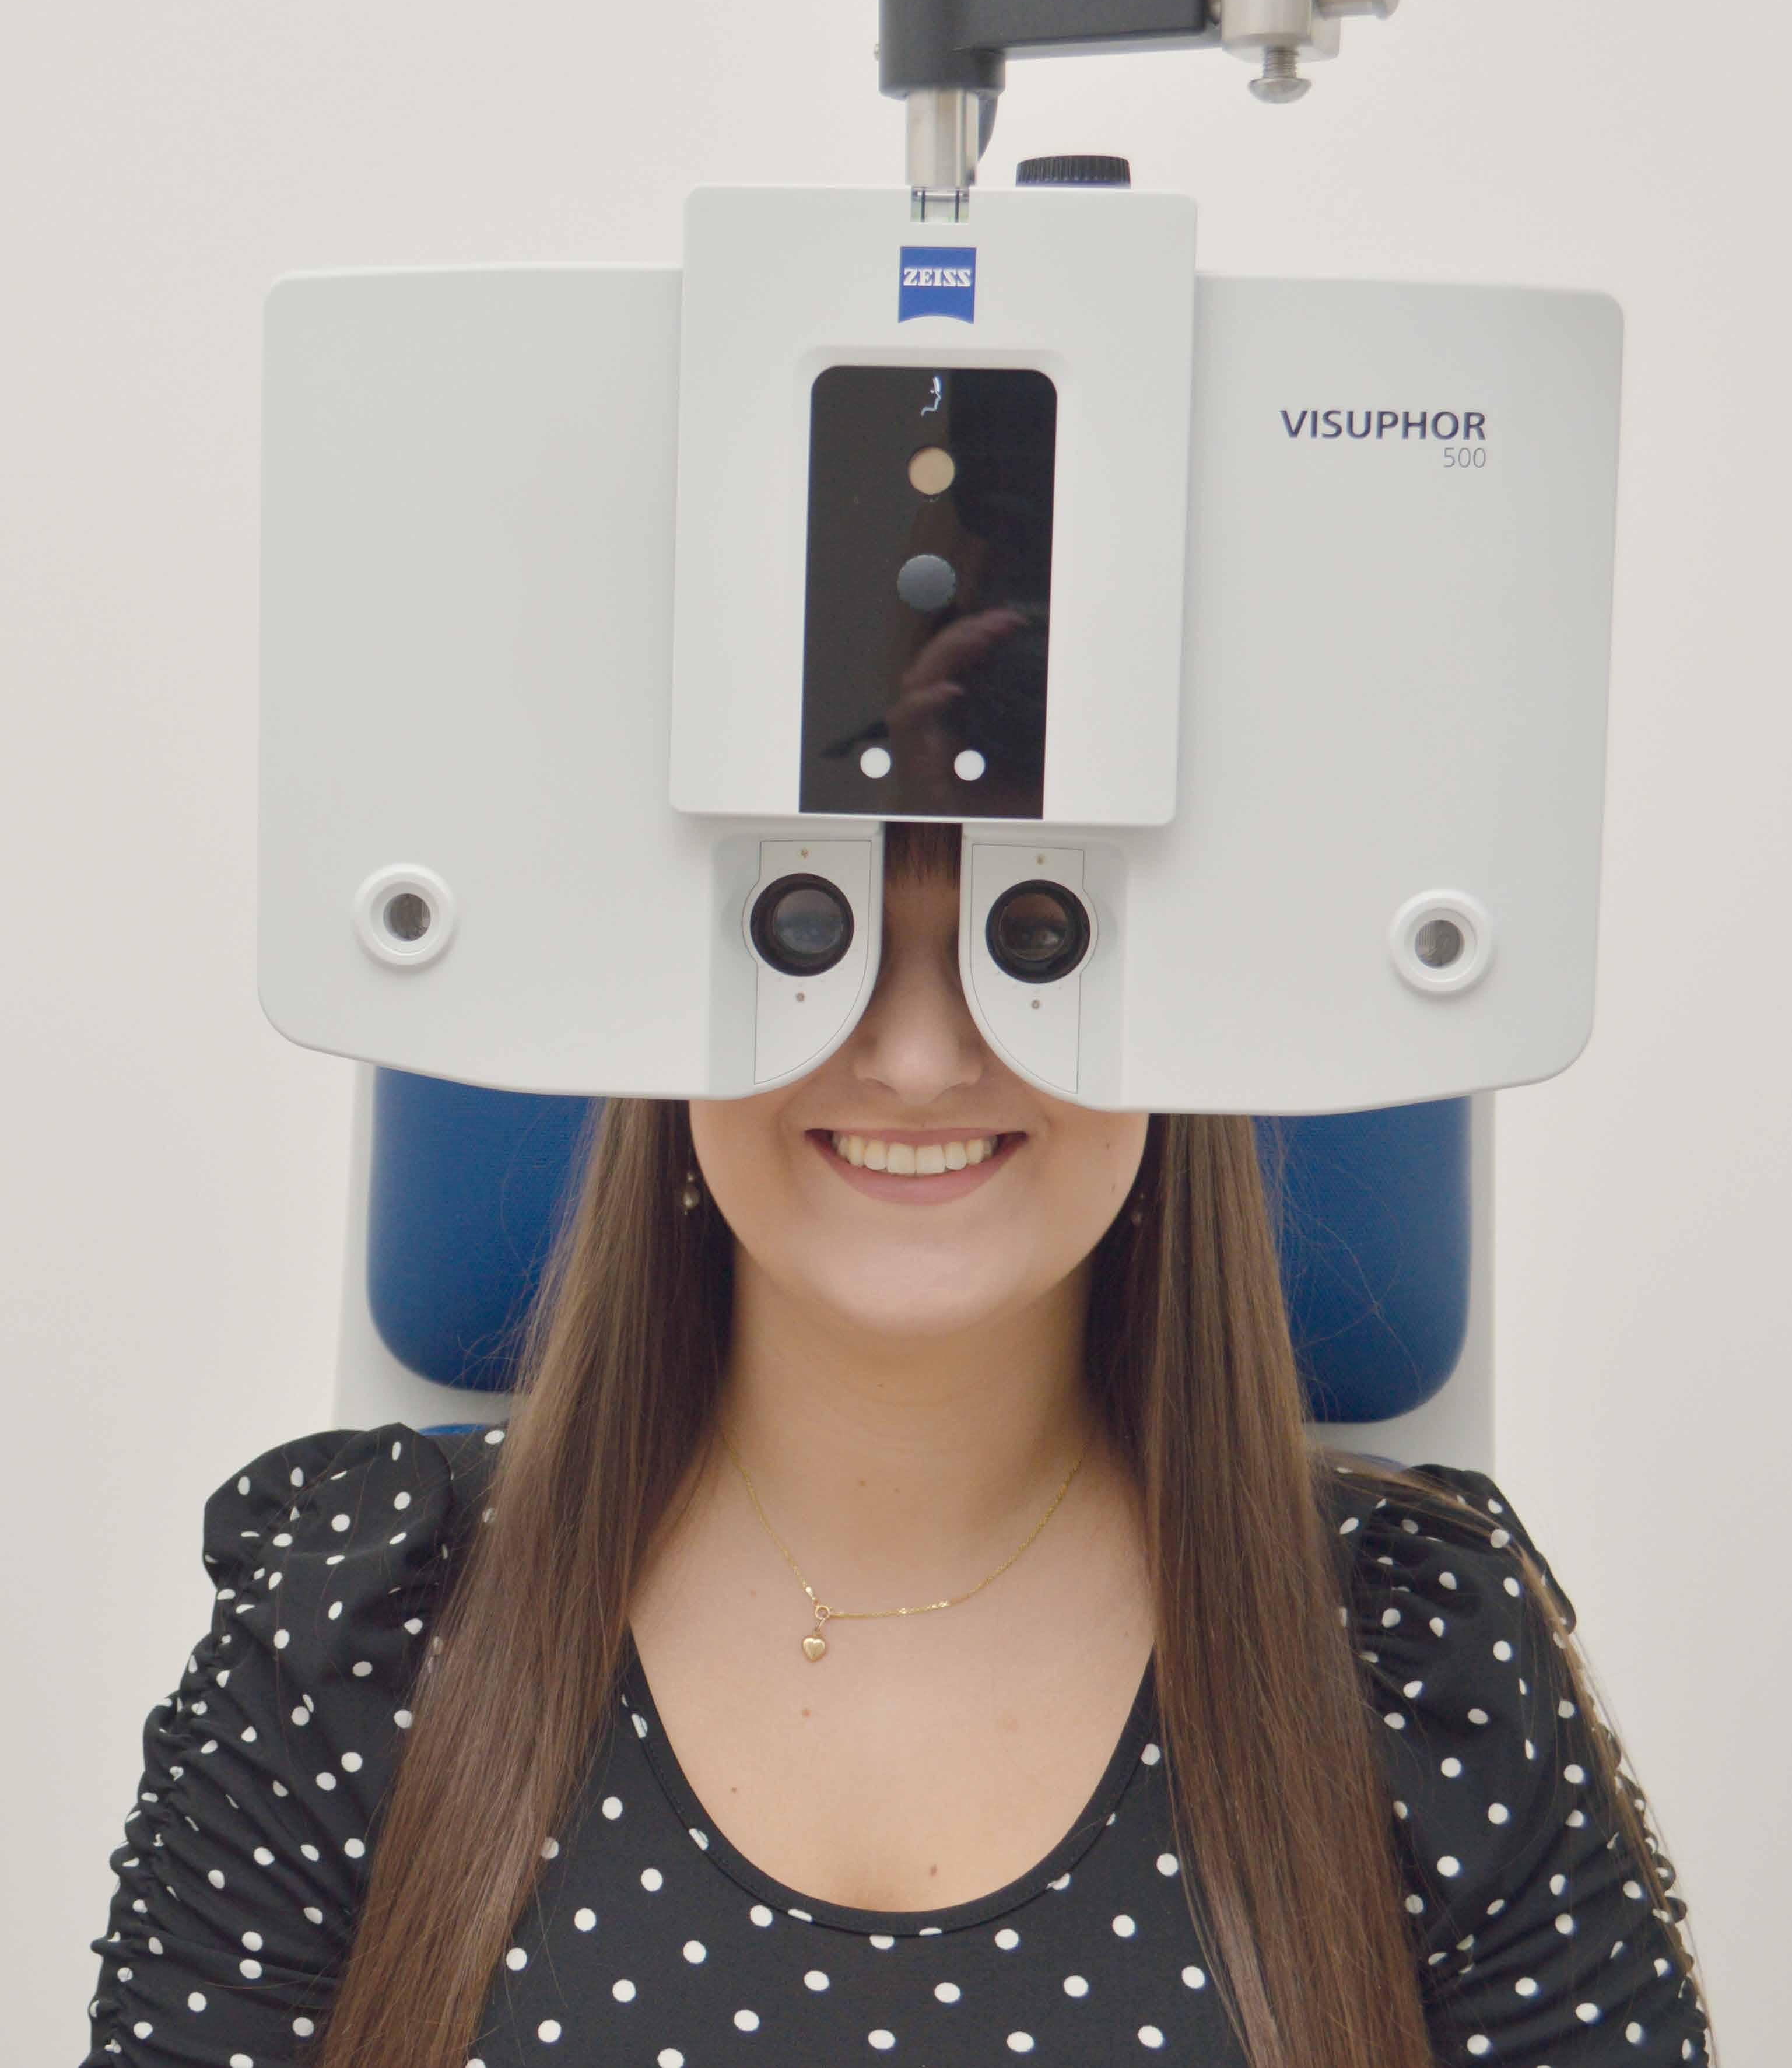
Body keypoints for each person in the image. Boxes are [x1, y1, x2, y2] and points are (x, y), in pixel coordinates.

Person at [82, 822, 1716, 2068]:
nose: (920, 1056)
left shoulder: (1421, 1662)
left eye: (1037, 940)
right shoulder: (356, 1635)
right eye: (810, 931)